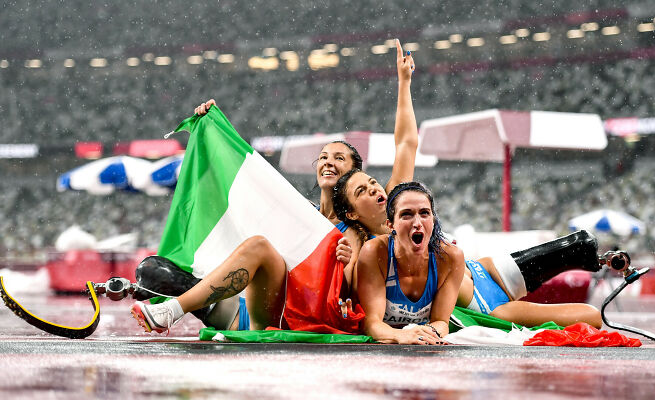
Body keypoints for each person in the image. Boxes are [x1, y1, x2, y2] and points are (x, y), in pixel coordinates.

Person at [131, 39, 418, 333]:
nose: (328, 162)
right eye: (323, 157)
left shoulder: (364, 221)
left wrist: (404, 84)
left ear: (355, 173)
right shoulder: (298, 211)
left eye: (339, 158)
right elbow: (244, 199)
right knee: (152, 271)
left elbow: (406, 145)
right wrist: (213, 132)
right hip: (245, 308)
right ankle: (174, 306)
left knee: (259, 246)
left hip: (287, 319)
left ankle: (172, 311)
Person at [332, 174, 604, 331]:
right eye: (361, 191)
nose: (374, 189)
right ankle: (583, 249)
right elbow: (346, 289)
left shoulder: (403, 200)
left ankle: (588, 250)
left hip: (481, 283)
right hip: (477, 292)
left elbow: (406, 144)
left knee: (574, 251)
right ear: (350, 212)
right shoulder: (357, 238)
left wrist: (404, 84)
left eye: (372, 182)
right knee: (590, 312)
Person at [356, 182, 465, 344]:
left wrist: (427, 334)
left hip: (469, 290)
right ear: (390, 225)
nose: (417, 223)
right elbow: (371, 323)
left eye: (424, 213)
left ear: (433, 220)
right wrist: (402, 335)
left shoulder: (451, 257)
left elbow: (441, 321)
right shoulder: (375, 252)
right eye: (407, 214)